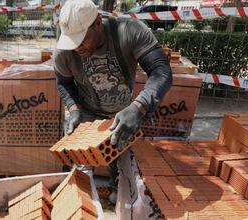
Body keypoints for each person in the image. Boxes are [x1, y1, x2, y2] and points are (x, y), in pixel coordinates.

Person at [53, 0, 173, 204]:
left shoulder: (128, 32)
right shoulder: (64, 53)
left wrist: (139, 107)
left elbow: (161, 71)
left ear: (98, 22)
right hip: (88, 112)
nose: (76, 47)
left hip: (123, 112)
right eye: (71, 41)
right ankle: (85, 206)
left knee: (122, 175)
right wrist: (74, 110)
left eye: (81, 39)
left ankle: (115, 190)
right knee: (82, 171)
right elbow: (63, 83)